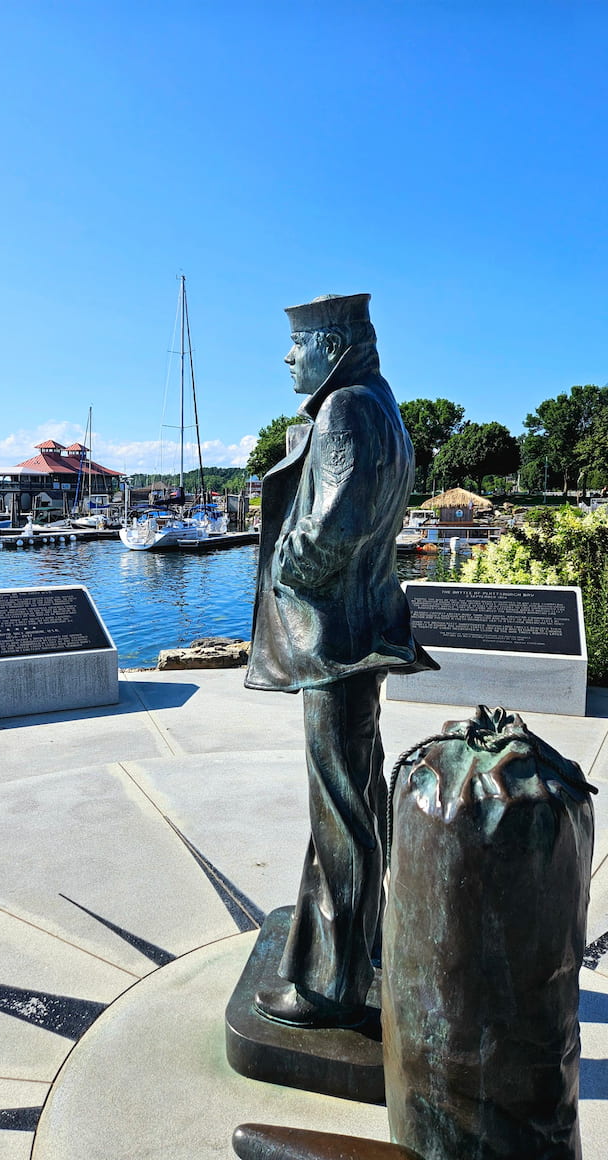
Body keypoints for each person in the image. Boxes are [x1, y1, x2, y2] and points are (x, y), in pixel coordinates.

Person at [245, 293, 437, 1028]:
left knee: (340, 811)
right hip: (365, 628)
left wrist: (288, 569)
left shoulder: (344, 411)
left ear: (333, 346)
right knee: (355, 796)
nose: (288, 358)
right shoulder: (380, 402)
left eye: (298, 344)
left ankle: (330, 982)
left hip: (334, 636)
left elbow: (339, 520)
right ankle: (362, 943)